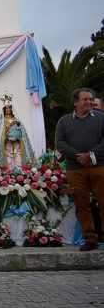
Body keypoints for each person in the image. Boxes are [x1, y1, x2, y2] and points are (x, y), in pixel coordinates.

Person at [55, 88, 104, 251]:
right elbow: (60, 143)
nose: (89, 102)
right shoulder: (64, 121)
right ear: (75, 102)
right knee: (82, 205)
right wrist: (78, 156)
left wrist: (91, 155)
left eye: (91, 99)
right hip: (75, 168)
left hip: (99, 166)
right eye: (86, 99)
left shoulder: (101, 118)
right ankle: (90, 239)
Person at [0, 94, 35, 168]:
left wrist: (17, 135)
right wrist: (6, 134)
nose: (8, 109)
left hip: (17, 141)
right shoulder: (2, 121)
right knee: (9, 154)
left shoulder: (16, 119)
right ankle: (9, 170)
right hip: (7, 142)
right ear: (4, 109)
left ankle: (19, 169)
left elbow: (22, 131)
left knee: (17, 154)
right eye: (6, 108)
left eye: (9, 108)